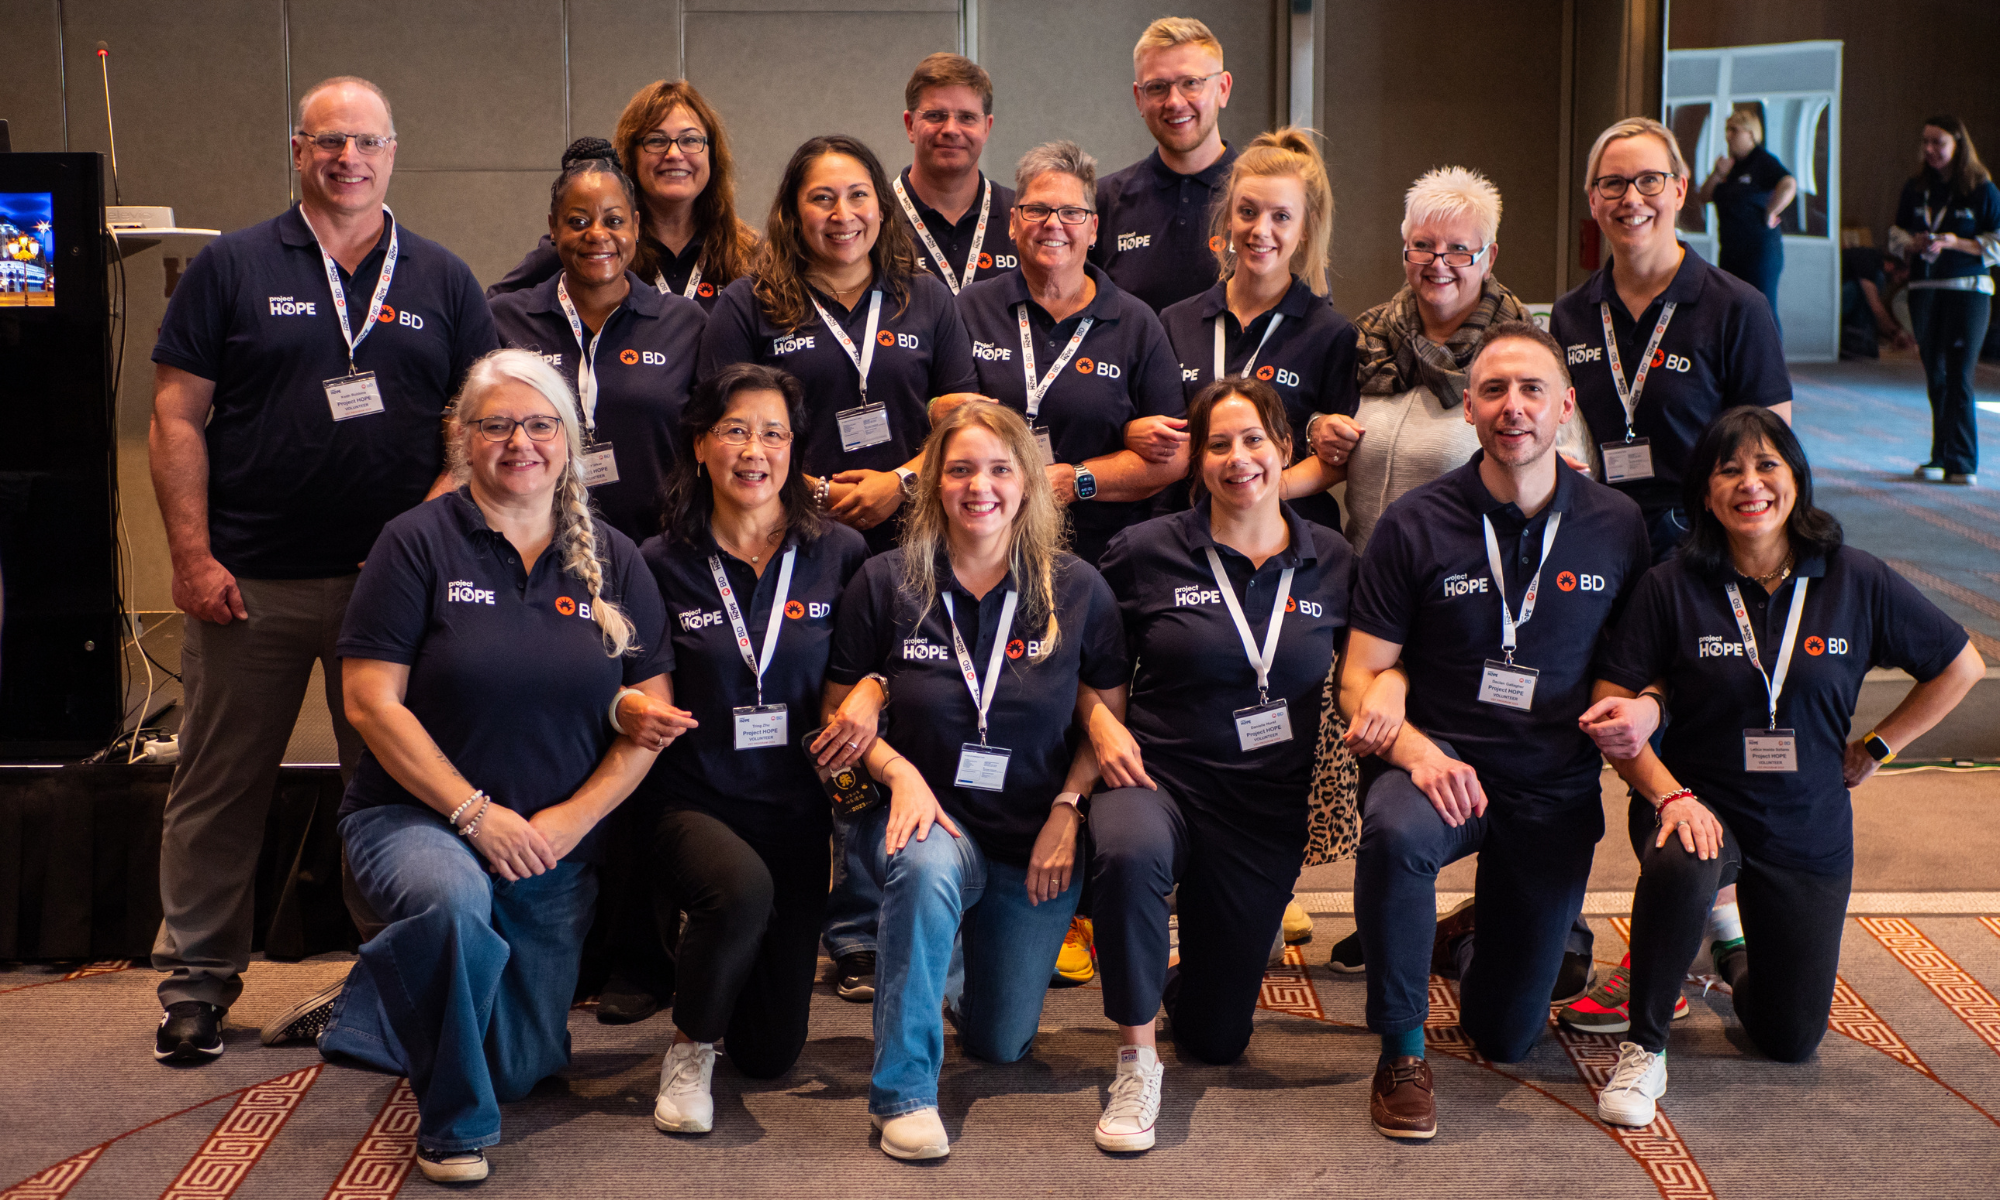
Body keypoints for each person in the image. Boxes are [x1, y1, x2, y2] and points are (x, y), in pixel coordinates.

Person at [147, 76, 497, 1065]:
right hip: (246, 580)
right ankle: (198, 982)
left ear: (393, 151)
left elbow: (479, 427)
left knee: (384, 793)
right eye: (327, 142)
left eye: (366, 143)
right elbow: (176, 415)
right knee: (219, 786)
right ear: (298, 149)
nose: (348, 159)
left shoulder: (440, 277)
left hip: (390, 596)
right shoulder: (233, 265)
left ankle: (383, 979)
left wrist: (423, 536)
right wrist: (190, 554)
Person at [309, 349, 682, 1183]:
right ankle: (453, 1129)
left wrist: (567, 821)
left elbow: (647, 721)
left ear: (569, 438)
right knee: (454, 899)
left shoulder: (616, 557)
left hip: (549, 841)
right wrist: (474, 814)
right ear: (462, 439)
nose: (521, 441)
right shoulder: (414, 543)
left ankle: (376, 1011)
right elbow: (371, 703)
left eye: (540, 424)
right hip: (417, 817)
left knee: (521, 1067)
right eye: (497, 424)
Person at [1581, 406, 1983, 1127]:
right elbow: (1613, 712)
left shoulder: (1854, 578)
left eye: (1767, 465)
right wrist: (1669, 796)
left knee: (1788, 1038)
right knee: (1684, 860)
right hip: (1699, 797)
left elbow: (1961, 665)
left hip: (1807, 818)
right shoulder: (1672, 585)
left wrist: (1880, 746)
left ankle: (1728, 947)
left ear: (1796, 478)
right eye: (1728, 469)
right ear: (1704, 494)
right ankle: (1646, 1048)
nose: (1750, 484)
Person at [1343, 322, 1650, 1141]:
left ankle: (1476, 934)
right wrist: (1413, 748)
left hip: (1552, 783)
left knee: (1508, 1036)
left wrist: (1644, 707)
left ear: (1565, 410)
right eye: (1493, 391)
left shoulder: (1617, 525)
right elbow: (1359, 676)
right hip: (1439, 765)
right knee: (1395, 837)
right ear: (1470, 411)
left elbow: (1639, 667)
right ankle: (1402, 1051)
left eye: (1531, 390)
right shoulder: (1413, 523)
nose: (1513, 407)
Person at [823, 401, 1131, 1160]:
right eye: (959, 469)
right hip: (924, 821)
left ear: (1027, 484)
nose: (978, 486)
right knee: (926, 872)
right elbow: (837, 718)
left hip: (1034, 833)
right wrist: (897, 766)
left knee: (1000, 1043)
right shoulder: (886, 581)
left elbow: (1104, 719)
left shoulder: (1078, 588)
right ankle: (904, 1093)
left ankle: (945, 958)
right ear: (933, 482)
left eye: (999, 469)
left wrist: (1069, 806)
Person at [1084, 379, 1354, 1152]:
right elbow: (1084, 661)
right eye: (1219, 444)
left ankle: (1180, 986)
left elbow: (1371, 666)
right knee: (1130, 851)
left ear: (1285, 450)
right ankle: (1135, 1061)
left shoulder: (1330, 559)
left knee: (1217, 1037)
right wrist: (1101, 724)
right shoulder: (1143, 552)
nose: (1240, 459)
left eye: (1255, 440)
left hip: (1265, 805)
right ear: (1197, 460)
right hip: (1158, 781)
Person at [606, 363, 874, 1134]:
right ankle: (688, 1051)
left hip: (793, 809)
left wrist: (874, 689)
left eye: (773, 434)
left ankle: (724, 1001)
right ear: (699, 447)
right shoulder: (656, 562)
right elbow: (625, 682)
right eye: (734, 430)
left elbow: (880, 657)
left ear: (794, 452)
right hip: (690, 796)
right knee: (738, 891)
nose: (754, 449)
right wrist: (626, 707)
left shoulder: (841, 553)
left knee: (770, 1054)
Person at [699, 134, 979, 556]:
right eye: (822, 198)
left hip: (917, 535)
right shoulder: (747, 303)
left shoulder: (927, 297)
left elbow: (968, 423)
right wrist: (812, 491)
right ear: (793, 213)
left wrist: (901, 482)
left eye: (858, 195)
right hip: (789, 535)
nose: (842, 215)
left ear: (882, 208)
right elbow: (715, 428)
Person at [1552, 116, 1793, 565]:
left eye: (1649, 181)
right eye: (1613, 184)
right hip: (1592, 539)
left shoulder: (1738, 308)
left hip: (1700, 543)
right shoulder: (1570, 316)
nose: (1631, 199)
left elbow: (1770, 454)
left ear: (1679, 190)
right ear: (1593, 199)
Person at [947, 140, 1185, 566]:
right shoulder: (969, 308)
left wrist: (1079, 480)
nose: (1053, 224)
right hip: (982, 549)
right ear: (1014, 223)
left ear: (1093, 229)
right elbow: (940, 419)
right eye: (1036, 210)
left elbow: (1173, 459)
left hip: (1102, 555)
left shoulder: (1136, 323)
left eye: (1072, 213)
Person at [489, 142, 707, 542]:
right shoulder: (505, 320)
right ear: (552, 228)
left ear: (636, 227)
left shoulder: (684, 323)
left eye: (614, 220)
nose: (597, 235)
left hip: (659, 549)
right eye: (577, 221)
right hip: (535, 550)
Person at [1159, 127, 1360, 534]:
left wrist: (1257, 488)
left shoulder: (1332, 334)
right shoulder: (1174, 322)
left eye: (1281, 216)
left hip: (1288, 538)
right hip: (1188, 536)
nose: (1260, 231)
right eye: (1247, 212)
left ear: (1305, 228)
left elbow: (1337, 462)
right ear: (1228, 218)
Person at [488, 80, 758, 311]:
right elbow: (489, 312)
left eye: (690, 140)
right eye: (656, 140)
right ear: (631, 156)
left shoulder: (751, 255)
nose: (674, 154)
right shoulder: (589, 245)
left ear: (713, 155)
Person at [1092, 17, 1238, 313]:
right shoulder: (1103, 201)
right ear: (1139, 98)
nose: (1174, 101)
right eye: (1157, 87)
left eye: (1191, 83)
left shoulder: (1266, 199)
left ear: (1222, 88)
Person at [1891, 114, 2000, 486]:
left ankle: (1963, 461)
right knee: (1935, 374)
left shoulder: (1981, 189)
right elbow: (1896, 232)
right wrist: (1912, 243)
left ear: (1957, 144)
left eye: (1938, 143)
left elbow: (1997, 243)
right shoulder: (1917, 187)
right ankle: (1939, 455)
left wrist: (1958, 242)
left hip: (1968, 290)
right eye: (1926, 142)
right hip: (1925, 290)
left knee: (1959, 374)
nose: (1930, 150)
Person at [894, 53, 1017, 294]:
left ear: (986, 127)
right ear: (910, 125)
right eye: (935, 116)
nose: (951, 129)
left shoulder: (1023, 216)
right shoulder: (873, 218)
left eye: (967, 118)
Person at [1695, 110, 1797, 333]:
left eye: (1734, 130)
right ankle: (1739, 364)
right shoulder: (1731, 167)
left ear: (1751, 134)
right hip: (1732, 251)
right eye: (1727, 130)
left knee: (1761, 308)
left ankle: (1772, 365)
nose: (1728, 136)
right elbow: (1704, 196)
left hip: (1759, 252)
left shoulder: (1762, 161)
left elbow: (1788, 184)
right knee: (1732, 308)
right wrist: (1716, 174)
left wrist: (1772, 210)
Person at [1839, 244, 1914, 359]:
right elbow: (1875, 306)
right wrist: (1896, 331)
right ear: (1891, 266)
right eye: (1899, 278)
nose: (1896, 283)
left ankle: (1860, 340)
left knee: (1871, 289)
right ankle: (1857, 342)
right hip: (1829, 301)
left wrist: (1893, 334)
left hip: (1838, 301)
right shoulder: (1869, 260)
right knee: (1869, 288)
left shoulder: (1872, 261)